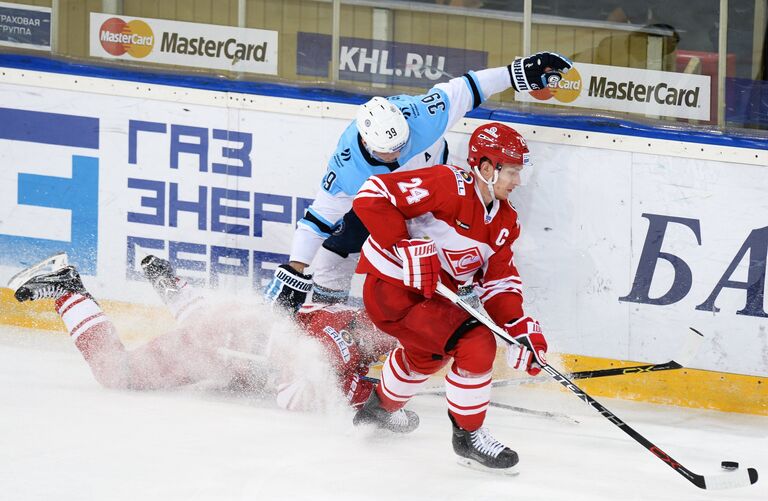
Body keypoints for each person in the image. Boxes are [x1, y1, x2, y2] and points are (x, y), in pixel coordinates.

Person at [264, 51, 572, 312]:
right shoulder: (348, 171)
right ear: (369, 145)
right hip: (383, 204)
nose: (399, 153)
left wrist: (517, 72)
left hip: (434, 196)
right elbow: (317, 221)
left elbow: (471, 86)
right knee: (335, 253)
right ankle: (327, 322)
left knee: (453, 247)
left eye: (402, 144)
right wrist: (296, 268)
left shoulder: (422, 116)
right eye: (390, 152)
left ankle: (448, 312)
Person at [349, 122, 549, 473]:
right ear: (487, 168)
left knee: (426, 355)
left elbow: (499, 280)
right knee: (476, 342)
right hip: (391, 288)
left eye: (520, 172)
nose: (517, 182)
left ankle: (377, 412)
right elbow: (372, 195)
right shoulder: (447, 184)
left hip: (430, 301)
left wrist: (518, 326)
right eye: (513, 171)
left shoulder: (505, 221)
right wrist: (403, 243)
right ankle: (468, 437)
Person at [6, 253, 397, 412]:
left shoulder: (352, 322)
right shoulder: (339, 342)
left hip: (228, 337)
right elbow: (291, 396)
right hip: (223, 343)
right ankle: (68, 286)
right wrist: (371, 399)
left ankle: (172, 285)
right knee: (118, 374)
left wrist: (364, 390)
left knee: (208, 330)